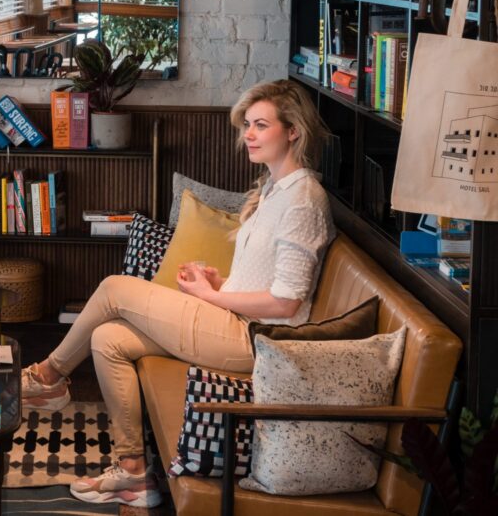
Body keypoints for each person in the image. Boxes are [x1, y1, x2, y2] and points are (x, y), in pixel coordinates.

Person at [21, 80, 336, 508]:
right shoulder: (273, 190)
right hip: (234, 321)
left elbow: (286, 302)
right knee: (107, 339)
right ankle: (133, 472)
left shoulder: (303, 200)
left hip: (259, 340)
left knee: (114, 289)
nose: (249, 134)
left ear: (293, 131)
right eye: (247, 124)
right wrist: (217, 283)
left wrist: (211, 296)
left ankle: (48, 376)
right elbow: (265, 280)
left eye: (261, 125)